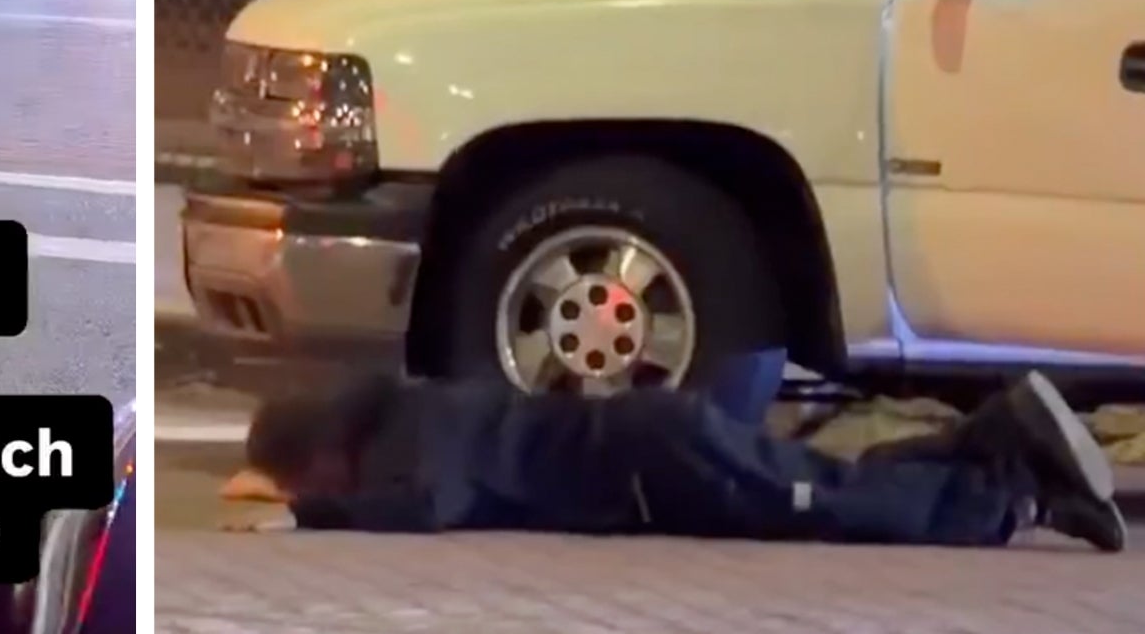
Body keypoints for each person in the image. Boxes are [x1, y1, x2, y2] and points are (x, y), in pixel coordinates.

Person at [231, 370, 1126, 551]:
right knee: (822, 488)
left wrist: (313, 519)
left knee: (827, 505)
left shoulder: (407, 438)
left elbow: (432, 502)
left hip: (656, 459)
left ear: (322, 457)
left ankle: (1019, 499)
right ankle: (990, 444)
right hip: (655, 455)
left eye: (307, 481)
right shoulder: (407, 406)